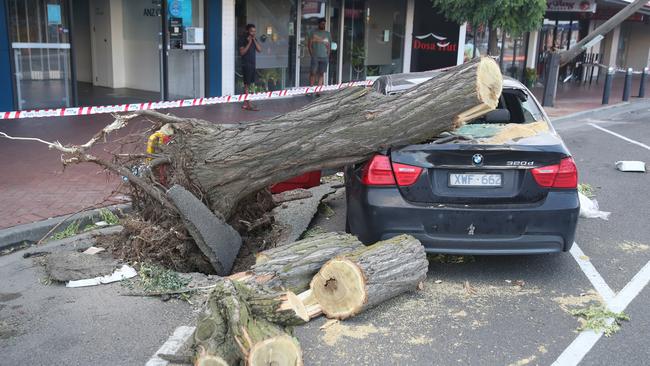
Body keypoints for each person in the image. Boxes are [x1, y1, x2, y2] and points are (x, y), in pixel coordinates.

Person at [239, 24, 262, 111]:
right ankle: (247, 104)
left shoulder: (254, 39)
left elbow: (259, 50)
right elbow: (242, 52)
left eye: (254, 31)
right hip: (246, 64)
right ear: (247, 31)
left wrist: (253, 41)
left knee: (249, 84)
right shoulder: (242, 39)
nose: (253, 33)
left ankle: (246, 103)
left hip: (252, 64)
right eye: (252, 31)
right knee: (246, 85)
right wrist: (249, 42)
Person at [308, 18, 331, 90]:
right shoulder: (313, 32)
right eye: (322, 24)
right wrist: (312, 54)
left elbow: (329, 45)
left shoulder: (327, 33)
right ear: (319, 24)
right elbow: (309, 44)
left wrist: (328, 54)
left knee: (321, 74)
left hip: (324, 57)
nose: (323, 25)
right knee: (313, 73)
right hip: (315, 56)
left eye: (324, 24)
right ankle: (311, 90)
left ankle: (318, 91)